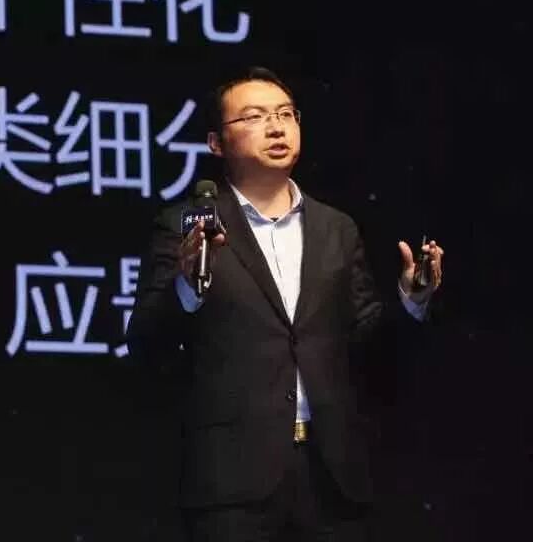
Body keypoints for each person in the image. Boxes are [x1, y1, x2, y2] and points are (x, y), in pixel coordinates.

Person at [126, 67, 444, 541]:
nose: (276, 128)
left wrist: (411, 302)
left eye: (285, 115)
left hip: (332, 479)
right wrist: (187, 288)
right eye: (254, 117)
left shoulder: (336, 228)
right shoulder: (186, 227)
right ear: (216, 143)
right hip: (233, 485)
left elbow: (366, 345)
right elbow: (146, 342)